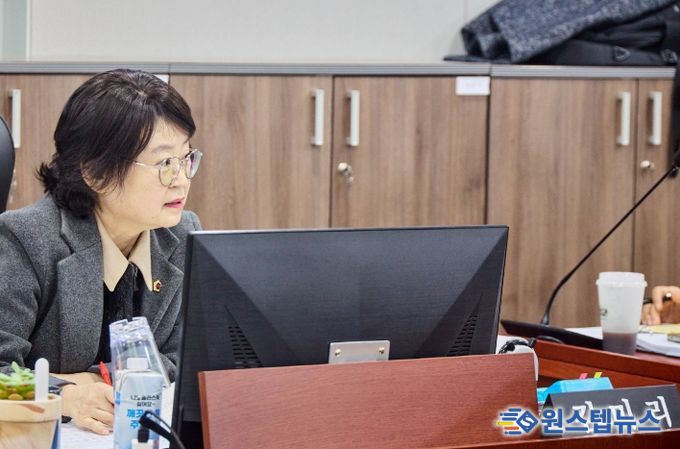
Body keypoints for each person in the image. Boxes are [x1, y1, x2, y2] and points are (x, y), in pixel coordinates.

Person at [0, 69, 203, 434]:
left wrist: (99, 379)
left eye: (185, 158)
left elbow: (184, 356)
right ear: (95, 173)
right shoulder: (26, 240)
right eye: (163, 163)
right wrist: (64, 395)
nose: (182, 179)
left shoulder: (181, 233)